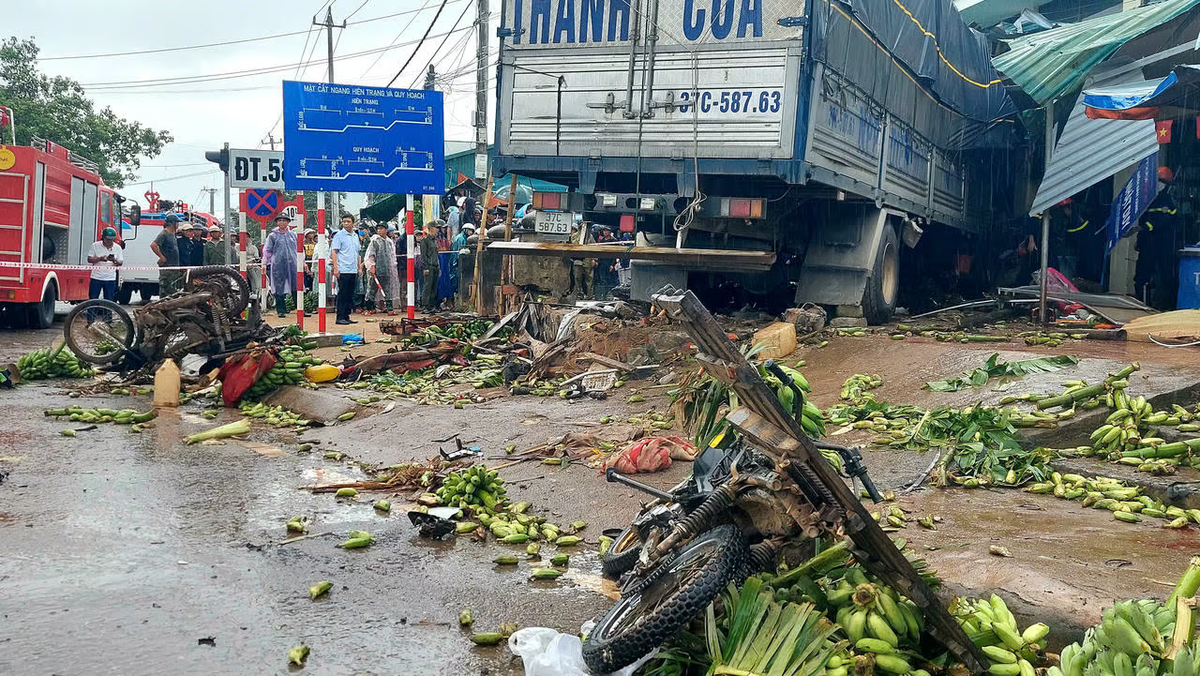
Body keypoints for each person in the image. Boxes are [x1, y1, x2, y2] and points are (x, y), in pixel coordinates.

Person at [262, 214, 299, 318]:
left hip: (293, 263)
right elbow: (267, 250)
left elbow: (299, 249)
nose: (282, 222)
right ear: (277, 222)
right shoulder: (272, 236)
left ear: (288, 222)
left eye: (284, 220)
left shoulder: (293, 235)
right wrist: (264, 263)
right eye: (280, 220)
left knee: (296, 285)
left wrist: (302, 262)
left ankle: (299, 308)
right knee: (279, 286)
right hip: (278, 264)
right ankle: (281, 310)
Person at [364, 221, 402, 314]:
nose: (379, 230)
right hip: (376, 269)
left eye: (381, 228)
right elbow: (370, 255)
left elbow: (392, 256)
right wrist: (371, 266)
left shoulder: (389, 242)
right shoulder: (375, 241)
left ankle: (390, 309)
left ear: (386, 230)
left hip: (387, 270)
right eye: (378, 228)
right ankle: (369, 308)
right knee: (372, 289)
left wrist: (393, 268)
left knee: (387, 289)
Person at [330, 214, 360, 325]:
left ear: (353, 223)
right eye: (344, 221)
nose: (346, 223)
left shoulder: (355, 236)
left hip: (353, 269)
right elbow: (334, 252)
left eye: (348, 221)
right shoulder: (339, 236)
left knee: (350, 294)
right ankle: (340, 317)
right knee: (342, 294)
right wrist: (336, 268)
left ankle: (346, 316)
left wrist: (359, 267)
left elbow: (357, 253)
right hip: (343, 269)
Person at [87, 226, 123, 301]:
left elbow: (120, 262)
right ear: (103, 237)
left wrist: (114, 260)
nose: (109, 241)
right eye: (108, 239)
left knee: (109, 299)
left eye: (111, 239)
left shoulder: (117, 248)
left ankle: (107, 313)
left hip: (110, 278)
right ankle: (91, 312)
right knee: (93, 298)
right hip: (96, 277)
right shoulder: (95, 245)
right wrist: (100, 258)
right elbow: (89, 259)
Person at [151, 214, 181, 295]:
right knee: (165, 288)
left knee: (173, 289)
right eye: (177, 222)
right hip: (167, 268)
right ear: (172, 223)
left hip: (173, 267)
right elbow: (153, 245)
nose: (178, 225)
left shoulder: (173, 234)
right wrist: (161, 256)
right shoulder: (164, 234)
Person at [419, 220, 441, 312]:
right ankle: (425, 306)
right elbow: (423, 255)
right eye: (436, 228)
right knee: (427, 286)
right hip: (429, 266)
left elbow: (436, 254)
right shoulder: (424, 240)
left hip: (435, 266)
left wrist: (438, 267)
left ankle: (431, 306)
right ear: (431, 228)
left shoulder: (435, 240)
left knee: (434, 287)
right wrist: (425, 267)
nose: (437, 230)